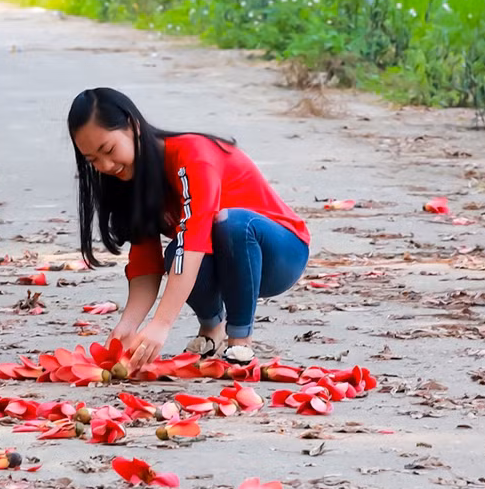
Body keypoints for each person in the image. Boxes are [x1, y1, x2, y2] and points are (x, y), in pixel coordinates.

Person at [68, 88, 311, 369]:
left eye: (109, 150)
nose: (106, 165)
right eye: (93, 161)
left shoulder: (192, 154)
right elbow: (146, 264)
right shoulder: (131, 180)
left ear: (132, 126)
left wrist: (161, 323)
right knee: (174, 254)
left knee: (228, 225)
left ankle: (240, 342)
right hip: (225, 263)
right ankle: (211, 331)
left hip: (280, 255)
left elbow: (194, 240)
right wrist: (128, 325)